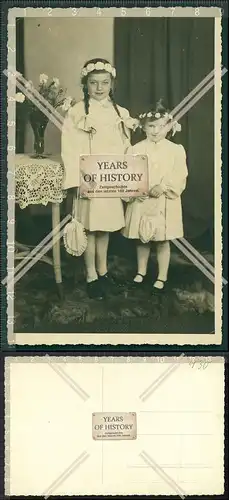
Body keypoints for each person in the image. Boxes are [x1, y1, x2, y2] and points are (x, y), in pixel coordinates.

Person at [61, 58, 137, 299]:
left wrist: (129, 178)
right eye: (94, 83)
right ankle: (91, 274)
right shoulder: (76, 112)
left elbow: (127, 147)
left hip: (110, 178)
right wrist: (76, 180)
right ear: (86, 84)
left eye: (104, 83)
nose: (99, 88)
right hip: (89, 179)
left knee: (105, 226)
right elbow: (69, 148)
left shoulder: (121, 113)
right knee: (90, 227)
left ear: (111, 84)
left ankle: (103, 271)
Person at [122, 100, 188, 293]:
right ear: (143, 127)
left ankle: (162, 275)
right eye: (151, 126)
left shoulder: (175, 150)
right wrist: (138, 189)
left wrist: (164, 186)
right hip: (143, 199)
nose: (156, 131)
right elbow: (129, 173)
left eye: (160, 126)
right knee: (142, 238)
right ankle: (141, 271)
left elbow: (180, 173)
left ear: (169, 126)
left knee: (162, 239)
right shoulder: (135, 150)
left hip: (164, 199)